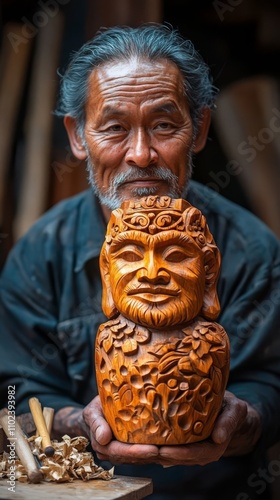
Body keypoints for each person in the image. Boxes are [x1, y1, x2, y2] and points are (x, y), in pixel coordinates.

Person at [1, 23, 280, 500]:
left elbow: (272, 383)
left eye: (165, 125)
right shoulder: (40, 251)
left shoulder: (253, 248)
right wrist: (80, 423)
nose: (141, 154)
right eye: (113, 127)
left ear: (200, 130)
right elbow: (11, 395)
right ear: (76, 136)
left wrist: (243, 418)